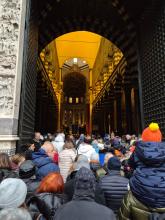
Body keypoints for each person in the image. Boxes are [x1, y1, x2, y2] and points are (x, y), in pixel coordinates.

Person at [119, 123, 165, 220]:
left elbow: (131, 165)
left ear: (144, 137)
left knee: (127, 202)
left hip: (140, 190)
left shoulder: (138, 149)